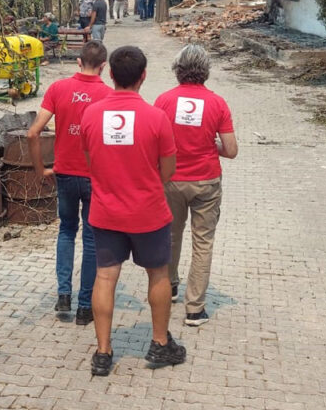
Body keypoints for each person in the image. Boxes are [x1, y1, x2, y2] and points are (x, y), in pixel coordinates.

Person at [80, 45, 187, 376]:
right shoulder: (156, 117)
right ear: (143, 76)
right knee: (158, 274)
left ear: (111, 75)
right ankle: (159, 345)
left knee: (105, 277)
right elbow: (168, 170)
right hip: (148, 212)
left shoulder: (90, 114)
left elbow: (90, 162)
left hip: (105, 212)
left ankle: (102, 353)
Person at [26, 41, 112, 327]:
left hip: (63, 174)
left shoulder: (57, 89)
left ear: (78, 61)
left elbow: (32, 133)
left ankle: (64, 294)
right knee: (90, 239)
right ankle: (85, 307)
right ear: (103, 66)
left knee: (66, 231)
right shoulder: (109, 96)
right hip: (94, 177)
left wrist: (41, 169)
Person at [154, 45, 238, 327]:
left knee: (170, 236)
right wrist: (210, 145)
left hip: (171, 180)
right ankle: (195, 308)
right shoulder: (217, 103)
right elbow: (231, 150)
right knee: (202, 243)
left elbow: (153, 143)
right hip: (206, 182)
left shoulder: (163, 101)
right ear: (206, 70)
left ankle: (171, 286)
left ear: (178, 70)